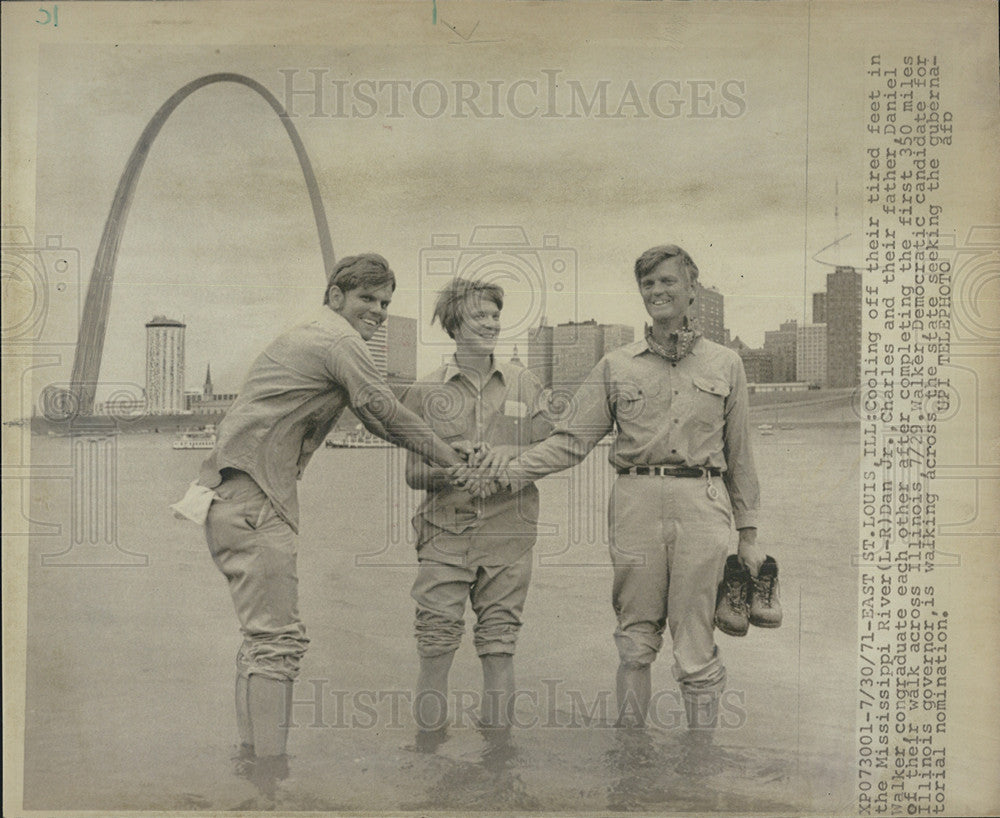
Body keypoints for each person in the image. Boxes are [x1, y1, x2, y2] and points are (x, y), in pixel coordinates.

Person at [173, 254, 465, 796]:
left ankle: (249, 772)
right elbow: (383, 411)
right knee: (278, 644)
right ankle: (272, 784)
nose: (377, 311)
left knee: (259, 641)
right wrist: (451, 458)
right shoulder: (338, 341)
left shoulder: (312, 336)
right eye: (367, 299)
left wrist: (440, 446)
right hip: (257, 502)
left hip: (228, 500)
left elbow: (378, 411)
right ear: (335, 296)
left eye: (384, 303)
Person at [464, 244, 762, 748]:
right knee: (634, 642)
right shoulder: (616, 364)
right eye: (648, 284)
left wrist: (750, 536)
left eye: (668, 282)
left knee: (696, 644)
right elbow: (570, 441)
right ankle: (632, 761)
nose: (658, 292)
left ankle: (699, 767)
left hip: (703, 505)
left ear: (693, 288)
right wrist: (504, 472)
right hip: (635, 502)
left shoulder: (727, 363)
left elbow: (741, 456)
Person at [401, 277, 552, 750]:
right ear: (453, 324)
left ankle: (499, 765)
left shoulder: (526, 382)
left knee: (499, 648)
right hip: (444, 537)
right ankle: (427, 759)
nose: (490, 323)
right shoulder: (425, 390)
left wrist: (508, 454)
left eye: (494, 315)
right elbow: (413, 473)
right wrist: (452, 469)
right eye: (478, 315)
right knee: (435, 648)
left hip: (511, 536)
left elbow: (553, 450)